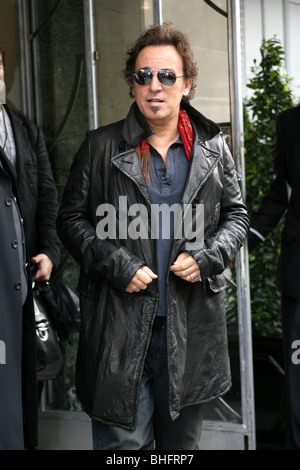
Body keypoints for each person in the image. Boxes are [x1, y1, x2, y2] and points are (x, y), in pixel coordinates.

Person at [57, 23, 249, 450]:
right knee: (124, 450)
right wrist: (117, 263)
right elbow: (70, 219)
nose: (154, 86)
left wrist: (207, 257)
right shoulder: (99, 147)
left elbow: (236, 216)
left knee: (179, 450)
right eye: (144, 76)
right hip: (118, 328)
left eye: (167, 76)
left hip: (190, 328)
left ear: (187, 84)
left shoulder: (214, 149)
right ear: (132, 84)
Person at [0, 43, 60, 449]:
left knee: (21, 401)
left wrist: (50, 252)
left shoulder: (24, 128)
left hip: (23, 291)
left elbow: (48, 197)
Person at [248, 104, 300, 450]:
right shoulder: (290, 123)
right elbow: (281, 191)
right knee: (298, 373)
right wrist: (243, 243)